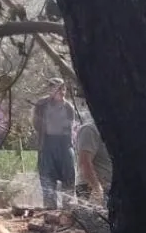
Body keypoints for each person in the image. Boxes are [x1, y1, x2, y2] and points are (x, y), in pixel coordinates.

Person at [32, 78, 79, 209]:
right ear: (50, 89)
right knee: (47, 183)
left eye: (62, 89)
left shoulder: (69, 107)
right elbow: (36, 124)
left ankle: (67, 212)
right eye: (57, 88)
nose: (60, 92)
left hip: (64, 145)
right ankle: (50, 212)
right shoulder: (41, 105)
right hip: (47, 145)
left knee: (69, 181)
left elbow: (70, 128)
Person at [74, 118, 112, 204]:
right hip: (90, 188)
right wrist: (97, 187)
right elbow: (84, 163)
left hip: (109, 188)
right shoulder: (89, 130)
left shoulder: (112, 132)